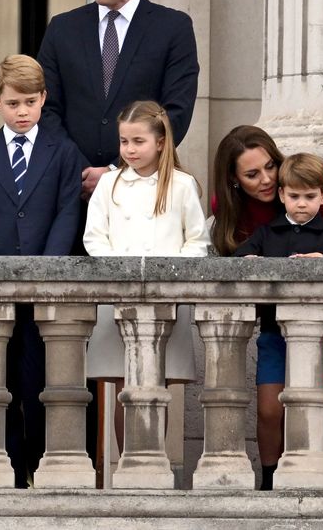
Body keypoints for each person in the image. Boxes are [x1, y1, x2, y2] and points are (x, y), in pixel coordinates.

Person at [0, 54, 81, 487]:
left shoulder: (63, 152)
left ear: (44, 98)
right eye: (12, 103)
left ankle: (43, 471)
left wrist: (48, 270)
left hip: (45, 296)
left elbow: (68, 211)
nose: (22, 111)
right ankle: (7, 473)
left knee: (41, 387)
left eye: (29, 101)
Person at [211, 127, 323, 490]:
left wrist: (321, 259)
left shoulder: (308, 183)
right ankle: (271, 479)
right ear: (233, 179)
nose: (265, 179)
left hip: (322, 317)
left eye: (270, 166)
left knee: (317, 400)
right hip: (273, 323)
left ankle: (308, 472)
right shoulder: (238, 213)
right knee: (270, 407)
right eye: (251, 174)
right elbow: (236, 257)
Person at [36, 0, 199, 208]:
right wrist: (81, 170)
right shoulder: (62, 28)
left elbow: (176, 111)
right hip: (71, 191)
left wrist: (115, 171)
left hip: (142, 193)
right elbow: (46, 108)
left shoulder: (172, 28)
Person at [82, 100, 209, 451]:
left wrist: (169, 280)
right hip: (116, 297)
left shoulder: (183, 185)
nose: (130, 149)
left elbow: (197, 241)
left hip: (167, 300)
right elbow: (95, 238)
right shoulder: (109, 185)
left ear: (160, 142)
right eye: (124, 141)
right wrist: (119, 276)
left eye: (138, 141)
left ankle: (153, 460)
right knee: (125, 387)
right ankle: (127, 464)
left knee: (156, 386)